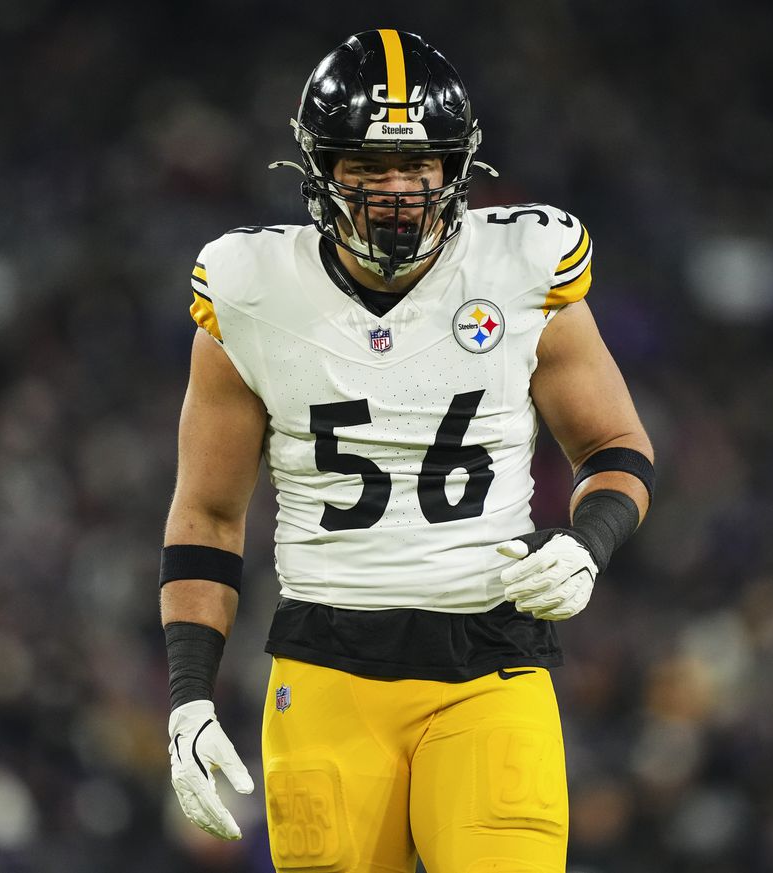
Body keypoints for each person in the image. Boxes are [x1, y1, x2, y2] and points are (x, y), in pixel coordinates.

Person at [159, 28, 654, 873]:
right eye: (367, 166)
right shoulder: (249, 290)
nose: (395, 190)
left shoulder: (521, 266)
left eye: (417, 165)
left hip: (491, 662)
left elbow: (616, 445)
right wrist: (187, 695)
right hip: (326, 670)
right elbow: (207, 513)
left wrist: (588, 542)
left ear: (454, 167)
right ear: (320, 168)